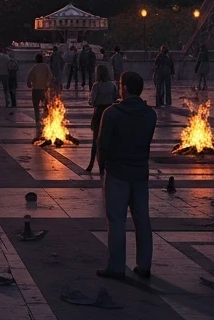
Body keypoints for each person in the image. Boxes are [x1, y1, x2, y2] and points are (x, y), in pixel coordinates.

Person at [96, 71, 157, 281]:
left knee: (116, 221)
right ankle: (144, 265)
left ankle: (116, 267)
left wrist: (102, 168)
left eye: (121, 85)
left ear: (126, 88)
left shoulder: (112, 113)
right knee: (142, 220)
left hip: (117, 173)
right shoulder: (150, 114)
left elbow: (102, 146)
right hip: (140, 173)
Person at [85, 65, 119, 173]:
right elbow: (115, 97)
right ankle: (107, 164)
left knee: (96, 140)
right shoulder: (112, 85)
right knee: (109, 139)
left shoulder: (96, 86)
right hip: (110, 111)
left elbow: (92, 101)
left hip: (99, 112)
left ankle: (91, 164)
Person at [27, 53, 52, 123]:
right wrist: (47, 84)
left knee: (36, 106)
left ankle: (37, 120)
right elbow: (50, 76)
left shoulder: (34, 67)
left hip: (35, 90)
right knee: (46, 106)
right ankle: (47, 119)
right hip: (44, 89)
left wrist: (29, 84)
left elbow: (29, 76)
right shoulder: (46, 67)